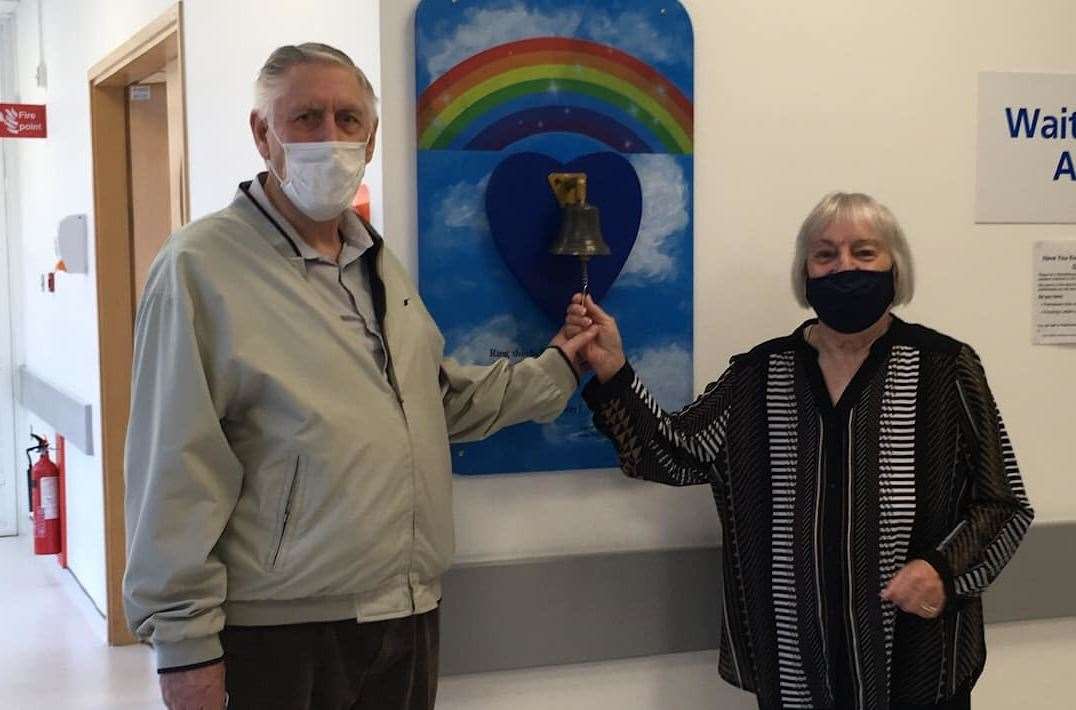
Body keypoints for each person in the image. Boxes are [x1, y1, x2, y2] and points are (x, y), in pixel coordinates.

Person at [123, 43, 596, 710]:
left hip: (405, 613)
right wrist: (184, 651)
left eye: (349, 120)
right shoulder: (199, 269)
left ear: (371, 140)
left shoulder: (376, 263)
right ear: (263, 134)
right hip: (284, 633)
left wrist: (561, 365)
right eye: (306, 117)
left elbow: (427, 404)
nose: (330, 138)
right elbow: (172, 467)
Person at [567, 192, 1034, 710]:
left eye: (865, 252)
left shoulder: (946, 368)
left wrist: (943, 571)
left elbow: (1004, 504)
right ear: (805, 272)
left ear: (895, 267)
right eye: (825, 254)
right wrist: (613, 370)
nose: (844, 267)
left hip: (917, 662)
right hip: (793, 665)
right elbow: (670, 454)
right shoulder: (759, 374)